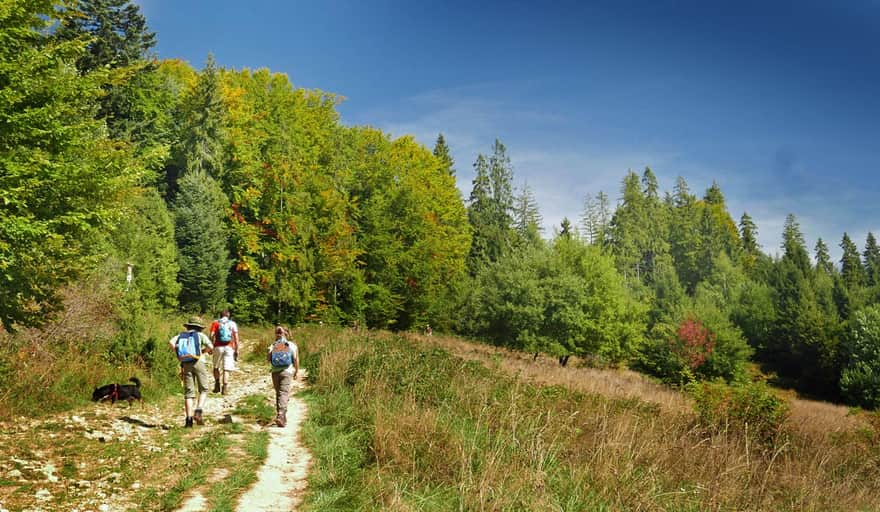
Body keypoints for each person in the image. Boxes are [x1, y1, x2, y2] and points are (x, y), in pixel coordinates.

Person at [169, 316, 213, 427]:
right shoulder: (200, 335)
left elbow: (171, 342)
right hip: (199, 362)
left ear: (188, 326)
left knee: (189, 392)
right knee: (203, 389)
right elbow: (210, 346)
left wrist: (179, 355)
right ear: (199, 327)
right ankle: (198, 411)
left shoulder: (181, 336)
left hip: (186, 363)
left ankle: (188, 421)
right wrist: (203, 351)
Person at [267, 326, 299, 427]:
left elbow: (268, 359)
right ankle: (281, 415)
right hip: (287, 371)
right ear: (286, 333)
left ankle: (280, 415)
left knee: (279, 393)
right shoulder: (292, 345)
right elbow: (295, 360)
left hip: (275, 372)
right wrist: (296, 371)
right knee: (284, 393)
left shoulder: (273, 345)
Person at [210, 309, 239, 395]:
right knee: (226, 368)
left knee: (216, 367)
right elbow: (236, 338)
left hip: (218, 347)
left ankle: (217, 385)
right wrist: (237, 350)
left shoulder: (215, 323)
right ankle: (225, 388)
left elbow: (211, 335)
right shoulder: (232, 323)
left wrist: (211, 346)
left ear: (220, 315)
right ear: (228, 315)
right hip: (229, 347)